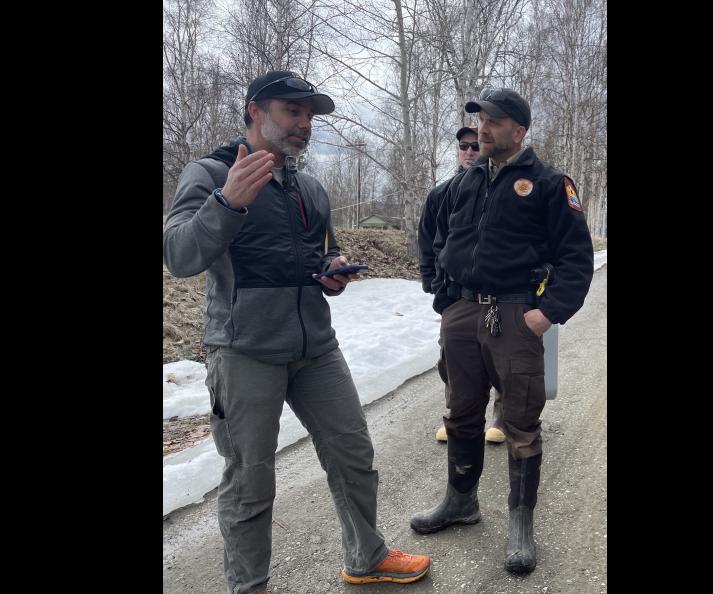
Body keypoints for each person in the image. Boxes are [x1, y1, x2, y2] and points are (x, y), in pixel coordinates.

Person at [163, 70, 431, 594]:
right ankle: (249, 587)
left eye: (310, 115)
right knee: (249, 480)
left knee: (353, 454)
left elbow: (320, 253)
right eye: (293, 111)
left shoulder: (309, 187)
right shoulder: (211, 172)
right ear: (254, 111)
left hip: (315, 348)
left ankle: (367, 556)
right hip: (244, 353)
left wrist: (334, 269)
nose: (304, 124)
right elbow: (179, 256)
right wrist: (227, 203)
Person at [410, 88, 594, 575]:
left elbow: (576, 260)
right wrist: (442, 295)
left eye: (494, 121)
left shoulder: (550, 184)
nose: (483, 129)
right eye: (480, 120)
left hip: (515, 315)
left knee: (519, 423)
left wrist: (547, 312)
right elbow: (431, 233)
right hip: (462, 313)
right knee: (461, 412)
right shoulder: (462, 183)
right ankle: (460, 502)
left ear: (520, 130)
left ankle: (519, 525)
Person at [418, 126, 505, 445]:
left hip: (501, 296)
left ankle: (503, 417)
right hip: (455, 295)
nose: (469, 151)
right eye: (463, 146)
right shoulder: (442, 193)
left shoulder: (504, 188)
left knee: (501, 359)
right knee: (452, 359)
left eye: (475, 146)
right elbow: (427, 240)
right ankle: (460, 415)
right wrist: (432, 282)